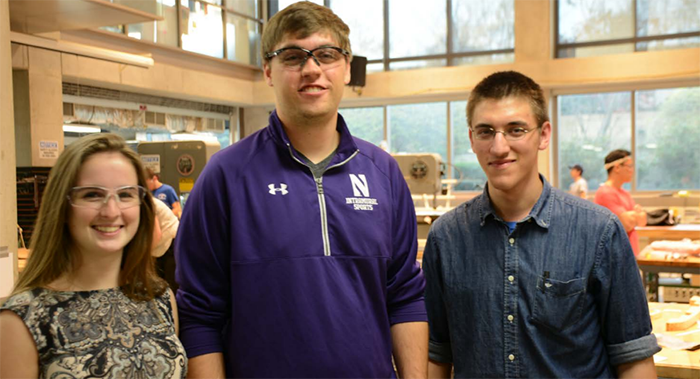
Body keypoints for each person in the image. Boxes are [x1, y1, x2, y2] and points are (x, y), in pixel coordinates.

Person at [174, 3, 428, 379]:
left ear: (346, 68)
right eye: (293, 56)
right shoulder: (226, 176)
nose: (312, 69)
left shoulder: (383, 173)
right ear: (268, 70)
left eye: (326, 55)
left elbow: (404, 296)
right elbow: (199, 315)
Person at [423, 71, 659, 379]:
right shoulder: (447, 238)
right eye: (485, 132)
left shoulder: (598, 231)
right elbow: (437, 353)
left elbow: (633, 356)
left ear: (544, 135)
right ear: (472, 138)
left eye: (515, 130)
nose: (499, 147)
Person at [0, 133, 187, 378]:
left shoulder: (159, 297)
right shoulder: (22, 320)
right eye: (92, 195)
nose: (111, 211)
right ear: (63, 206)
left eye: (125, 194)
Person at [595, 149, 647, 255]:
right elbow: (627, 223)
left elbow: (643, 220)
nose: (632, 170)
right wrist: (637, 215)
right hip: (615, 259)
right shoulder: (605, 193)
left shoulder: (625, 193)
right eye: (629, 166)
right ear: (617, 167)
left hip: (628, 257)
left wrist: (635, 216)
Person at [152, 197, 180, 291]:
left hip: (171, 241)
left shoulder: (148, 204)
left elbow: (156, 234)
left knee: (171, 284)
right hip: (165, 243)